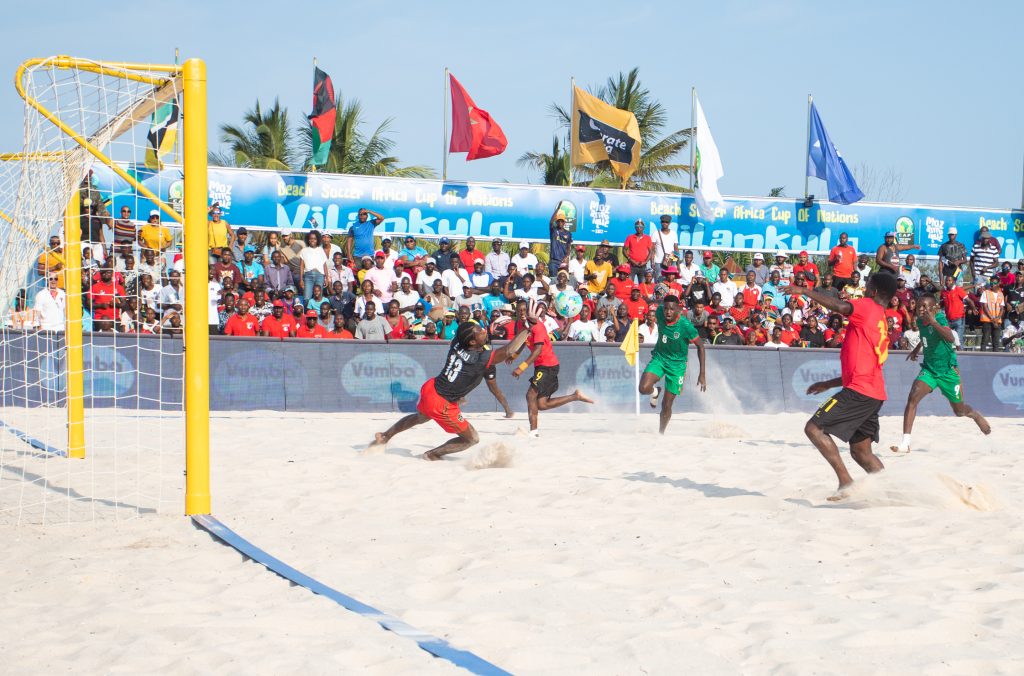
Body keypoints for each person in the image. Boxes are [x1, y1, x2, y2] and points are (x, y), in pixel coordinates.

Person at [793, 272, 898, 500]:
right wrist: (829, 383)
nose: (864, 288)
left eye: (867, 285)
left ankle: (845, 482)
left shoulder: (868, 306)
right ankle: (890, 492)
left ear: (874, 292)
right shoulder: (879, 316)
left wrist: (805, 291)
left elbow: (841, 308)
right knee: (861, 452)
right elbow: (862, 365)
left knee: (813, 428)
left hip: (860, 391)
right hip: (872, 391)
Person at [369, 322, 531, 459]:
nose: (483, 331)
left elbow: (465, 332)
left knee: (420, 417)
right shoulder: (480, 359)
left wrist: (487, 331)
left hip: (431, 388)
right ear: (473, 343)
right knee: (472, 439)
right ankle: (432, 454)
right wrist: (528, 327)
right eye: (479, 332)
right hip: (441, 402)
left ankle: (385, 436)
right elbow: (510, 350)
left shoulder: (457, 342)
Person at [890, 295, 991, 454]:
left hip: (948, 372)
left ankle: (975, 415)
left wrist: (934, 322)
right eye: (919, 306)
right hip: (930, 369)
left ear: (933, 308)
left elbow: (950, 337)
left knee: (959, 411)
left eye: (924, 306)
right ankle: (905, 443)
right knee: (913, 397)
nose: (920, 309)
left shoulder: (939, 318)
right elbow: (926, 339)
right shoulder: (920, 321)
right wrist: (916, 350)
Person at [508, 312, 593, 436]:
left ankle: (534, 431)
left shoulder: (538, 328)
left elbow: (537, 351)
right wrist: (514, 356)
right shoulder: (527, 327)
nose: (521, 313)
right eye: (520, 310)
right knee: (542, 404)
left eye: (524, 311)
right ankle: (575, 396)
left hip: (547, 366)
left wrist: (521, 367)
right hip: (542, 367)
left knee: (530, 395)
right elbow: (524, 342)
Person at [637, 295, 707, 434]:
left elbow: (700, 347)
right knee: (643, 388)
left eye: (672, 309)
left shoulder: (686, 326)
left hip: (677, 366)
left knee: (666, 404)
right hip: (660, 358)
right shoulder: (659, 312)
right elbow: (654, 303)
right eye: (666, 308)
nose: (668, 312)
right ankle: (655, 391)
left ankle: (661, 433)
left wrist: (702, 374)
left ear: (678, 310)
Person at [298, 231, 329, 299]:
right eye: (311, 238)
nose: (312, 240)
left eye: (314, 239)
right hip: (308, 276)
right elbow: (301, 266)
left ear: (317, 240)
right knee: (307, 297)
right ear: (308, 240)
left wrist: (327, 278)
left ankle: (317, 310)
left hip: (319, 276)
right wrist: (301, 279)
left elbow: (324, 265)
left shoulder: (320, 250)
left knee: (319, 297)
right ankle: (307, 310)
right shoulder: (304, 250)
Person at [978, 275, 1005, 352]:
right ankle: (982, 359)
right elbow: (985, 307)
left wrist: (997, 319)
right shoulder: (986, 292)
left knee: (996, 343)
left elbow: (1002, 308)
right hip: (987, 321)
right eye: (991, 282)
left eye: (995, 282)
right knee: (985, 341)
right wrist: (993, 319)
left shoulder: (1001, 294)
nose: (992, 284)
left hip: (997, 321)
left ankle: (996, 361)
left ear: (998, 283)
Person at [548, 209, 574, 277]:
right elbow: (551, 222)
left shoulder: (568, 234)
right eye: (558, 221)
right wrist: (558, 209)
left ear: (564, 222)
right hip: (554, 261)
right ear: (556, 222)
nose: (560, 222)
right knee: (553, 280)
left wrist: (567, 256)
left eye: (562, 221)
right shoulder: (554, 231)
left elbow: (569, 247)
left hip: (562, 262)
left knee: (563, 281)